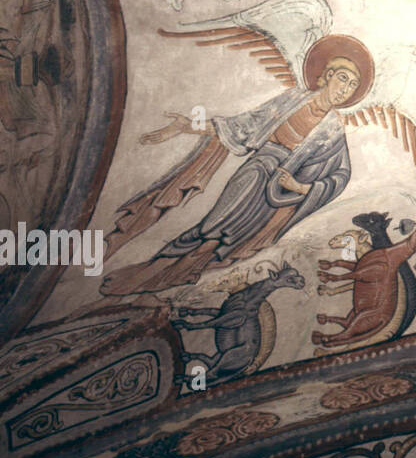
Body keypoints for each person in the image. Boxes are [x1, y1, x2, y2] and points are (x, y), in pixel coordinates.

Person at [102, 36, 372, 296]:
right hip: (256, 172)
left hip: (278, 195)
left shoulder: (333, 130)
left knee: (226, 242)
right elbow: (242, 125)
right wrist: (188, 125)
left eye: (351, 86)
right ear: (326, 75)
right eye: (342, 79)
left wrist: (300, 187)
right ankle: (152, 270)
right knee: (212, 226)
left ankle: (172, 275)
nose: (344, 89)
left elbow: (341, 175)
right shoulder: (293, 100)